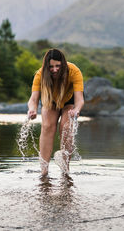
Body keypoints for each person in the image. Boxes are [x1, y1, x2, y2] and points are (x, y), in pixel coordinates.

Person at [28, 48, 84, 176]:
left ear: (63, 64)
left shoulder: (74, 71)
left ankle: (65, 169)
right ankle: (44, 171)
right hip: (50, 100)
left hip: (69, 101)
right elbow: (33, 99)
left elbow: (80, 99)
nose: (54, 69)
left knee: (66, 127)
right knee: (47, 126)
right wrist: (32, 109)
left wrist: (76, 110)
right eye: (51, 67)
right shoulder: (39, 74)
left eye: (58, 66)